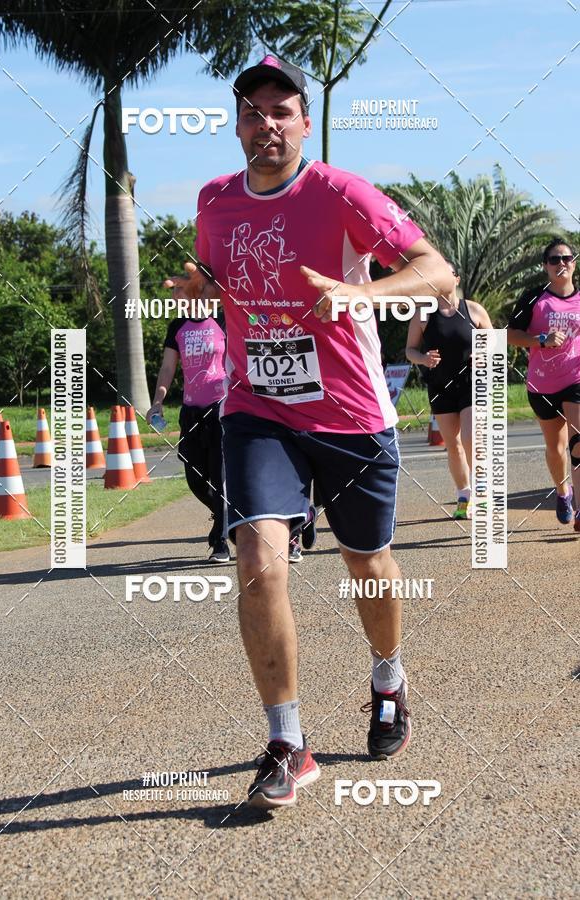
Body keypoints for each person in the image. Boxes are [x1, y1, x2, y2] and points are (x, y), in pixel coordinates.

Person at [167, 55, 454, 809]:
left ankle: (388, 678)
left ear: (304, 123)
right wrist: (202, 290)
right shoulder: (214, 201)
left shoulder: (342, 193)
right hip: (257, 408)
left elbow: (437, 273)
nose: (266, 124)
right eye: (252, 112)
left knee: (368, 563)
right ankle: (288, 743)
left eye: (281, 111)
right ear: (237, 125)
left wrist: (364, 293)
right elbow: (217, 280)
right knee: (258, 559)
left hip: (350, 413)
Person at [405, 261, 492, 519]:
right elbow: (410, 350)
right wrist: (423, 359)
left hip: (470, 384)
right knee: (453, 445)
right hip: (440, 386)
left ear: (456, 279)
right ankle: (464, 496)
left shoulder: (474, 310)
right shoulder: (423, 315)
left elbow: (494, 343)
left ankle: (483, 491)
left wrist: (482, 354)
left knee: (470, 438)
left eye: (447, 274)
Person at [147, 302, 230, 562]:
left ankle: (221, 542)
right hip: (191, 411)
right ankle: (226, 515)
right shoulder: (178, 326)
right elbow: (167, 368)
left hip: (220, 409)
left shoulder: (223, 320)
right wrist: (157, 402)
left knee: (219, 476)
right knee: (195, 480)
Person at [507, 237, 580, 531]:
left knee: (577, 442)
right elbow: (510, 334)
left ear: (574, 263)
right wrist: (540, 340)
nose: (561, 263)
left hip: (576, 379)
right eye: (554, 259)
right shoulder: (534, 298)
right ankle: (563, 492)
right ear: (545, 266)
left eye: (566, 258)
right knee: (555, 447)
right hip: (542, 385)